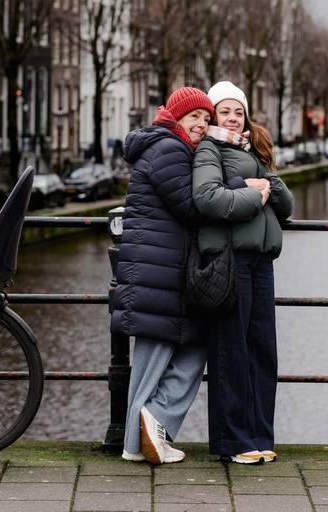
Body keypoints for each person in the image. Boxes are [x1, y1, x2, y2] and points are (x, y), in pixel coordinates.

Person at [111, 87, 215, 465]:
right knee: (152, 363)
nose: (202, 124)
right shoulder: (169, 148)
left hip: (162, 270)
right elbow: (192, 205)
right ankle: (135, 444)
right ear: (176, 118)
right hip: (158, 272)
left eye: (207, 118)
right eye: (195, 118)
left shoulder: (170, 147)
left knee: (185, 351)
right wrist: (240, 189)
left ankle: (149, 431)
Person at [192, 81, 294, 464]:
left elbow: (286, 206)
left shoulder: (252, 150)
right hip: (231, 261)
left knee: (262, 350)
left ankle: (260, 435)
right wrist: (248, 189)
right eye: (224, 111)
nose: (232, 118)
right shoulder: (209, 149)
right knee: (230, 351)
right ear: (213, 115)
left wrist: (265, 175)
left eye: (238, 111)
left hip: (261, 262)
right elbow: (206, 198)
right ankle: (233, 441)